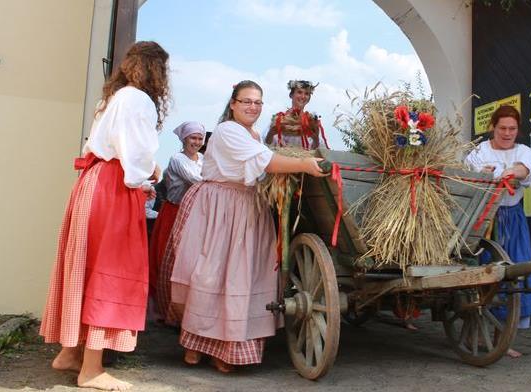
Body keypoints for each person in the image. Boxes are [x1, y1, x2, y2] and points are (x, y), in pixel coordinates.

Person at [167, 80, 328, 373]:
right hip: (222, 208)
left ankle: (227, 349)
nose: (252, 107)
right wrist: (303, 164)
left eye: (257, 103)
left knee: (241, 277)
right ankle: (196, 345)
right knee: (213, 275)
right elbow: (265, 162)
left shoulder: (253, 133)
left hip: (247, 206)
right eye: (246, 101)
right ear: (233, 104)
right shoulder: (229, 131)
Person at [39, 41, 169, 391]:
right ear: (157, 69)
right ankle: (92, 370)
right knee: (108, 272)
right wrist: (148, 172)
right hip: (110, 188)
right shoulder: (137, 99)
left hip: (90, 184)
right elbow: (136, 156)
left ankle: (69, 353)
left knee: (87, 265)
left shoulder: (111, 98)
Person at [464, 104, 531, 358]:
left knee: (513, 273)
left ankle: (502, 339)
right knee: (481, 275)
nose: (507, 133)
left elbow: (525, 170)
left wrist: (511, 171)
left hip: (512, 219)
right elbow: (467, 176)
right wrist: (483, 175)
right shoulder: (479, 151)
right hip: (483, 220)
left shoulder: (523, 151)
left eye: (513, 129)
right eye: (503, 128)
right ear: (493, 127)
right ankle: (475, 332)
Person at [149, 121, 205, 323]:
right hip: (174, 212)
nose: (196, 142)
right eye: (193, 138)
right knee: (167, 258)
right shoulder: (177, 159)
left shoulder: (203, 159)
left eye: (200, 138)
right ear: (184, 139)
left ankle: (185, 309)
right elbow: (198, 180)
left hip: (194, 214)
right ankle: (164, 310)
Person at [264, 80, 329, 149]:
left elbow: (318, 150)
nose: (303, 96)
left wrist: (316, 139)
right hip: (281, 158)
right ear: (291, 95)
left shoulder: (312, 122)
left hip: (306, 159)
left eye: (307, 94)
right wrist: (271, 133)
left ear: (309, 98)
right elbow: (266, 146)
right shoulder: (279, 119)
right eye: (299, 92)